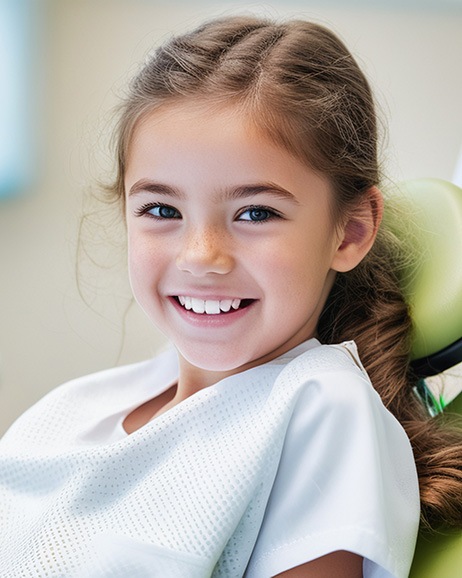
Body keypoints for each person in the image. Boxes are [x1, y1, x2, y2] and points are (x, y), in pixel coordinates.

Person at [1, 14, 461, 578]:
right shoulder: (74, 409)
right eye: (162, 210)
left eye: (256, 212)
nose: (200, 254)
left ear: (351, 232)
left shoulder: (319, 410)